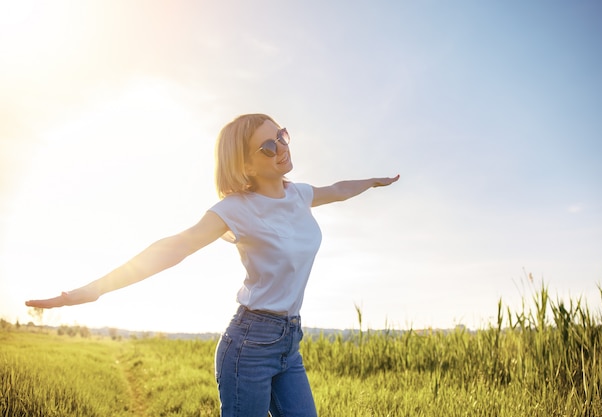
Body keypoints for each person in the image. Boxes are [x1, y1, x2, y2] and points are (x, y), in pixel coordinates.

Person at [26, 113, 399, 417]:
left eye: (281, 135)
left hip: (289, 342)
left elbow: (336, 189)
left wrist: (371, 181)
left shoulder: (298, 194)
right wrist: (93, 290)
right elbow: (176, 247)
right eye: (267, 147)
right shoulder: (235, 209)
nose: (281, 148)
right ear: (245, 165)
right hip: (250, 345)